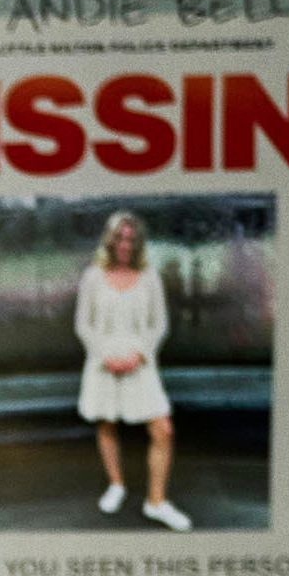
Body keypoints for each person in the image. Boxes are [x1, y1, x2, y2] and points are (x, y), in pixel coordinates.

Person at [74, 211, 191, 530]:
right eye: (120, 238)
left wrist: (139, 355)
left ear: (138, 242)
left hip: (140, 361)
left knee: (163, 430)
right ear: (109, 240)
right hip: (103, 361)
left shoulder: (149, 275)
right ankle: (117, 485)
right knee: (107, 422)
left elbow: (160, 325)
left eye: (131, 239)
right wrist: (104, 356)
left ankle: (156, 502)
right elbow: (84, 325)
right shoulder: (93, 276)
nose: (125, 244)